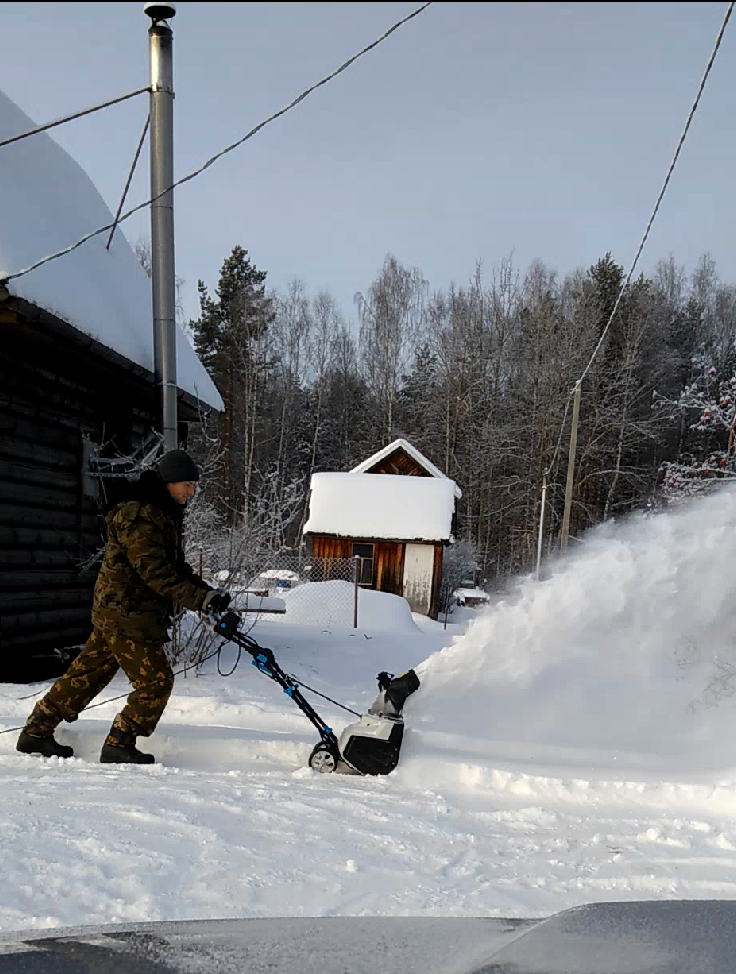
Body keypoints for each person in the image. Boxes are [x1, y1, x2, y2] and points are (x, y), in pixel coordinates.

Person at [16, 449, 230, 765]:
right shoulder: (141, 516)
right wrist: (200, 600)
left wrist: (209, 595)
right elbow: (154, 572)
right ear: (170, 482)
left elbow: (176, 567)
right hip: (128, 612)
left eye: (193, 485)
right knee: (156, 681)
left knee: (87, 674)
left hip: (121, 611)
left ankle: (36, 731)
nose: (191, 491)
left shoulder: (162, 511)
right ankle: (120, 741)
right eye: (187, 484)